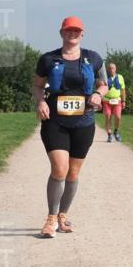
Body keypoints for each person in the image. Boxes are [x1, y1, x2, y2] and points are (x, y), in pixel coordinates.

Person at [32, 16, 108, 238]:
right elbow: (37, 86)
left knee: (73, 173)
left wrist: (97, 94)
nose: (72, 34)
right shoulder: (48, 59)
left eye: (76, 30)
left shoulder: (94, 58)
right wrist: (41, 101)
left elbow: (103, 84)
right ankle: (51, 218)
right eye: (68, 30)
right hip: (55, 121)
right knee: (59, 169)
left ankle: (63, 215)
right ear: (61, 33)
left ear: (82, 34)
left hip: (83, 122)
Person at [103, 62, 127, 142]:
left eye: (113, 68)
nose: (111, 70)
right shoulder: (104, 77)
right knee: (108, 117)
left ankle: (116, 131)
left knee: (118, 116)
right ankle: (109, 135)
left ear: (115, 69)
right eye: (109, 68)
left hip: (117, 100)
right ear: (107, 69)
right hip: (106, 100)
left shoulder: (120, 77)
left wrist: (123, 100)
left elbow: (123, 90)